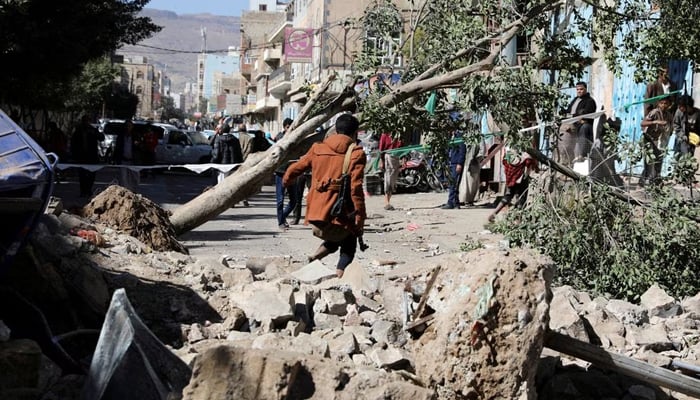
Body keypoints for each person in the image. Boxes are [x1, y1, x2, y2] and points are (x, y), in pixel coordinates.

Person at [283, 114, 366, 278]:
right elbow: (355, 189)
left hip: (316, 215)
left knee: (336, 238)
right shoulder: (356, 154)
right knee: (349, 241)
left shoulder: (317, 149)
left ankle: (314, 258)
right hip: (338, 213)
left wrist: (287, 182)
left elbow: (295, 168)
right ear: (355, 133)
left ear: (335, 130)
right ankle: (339, 275)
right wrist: (360, 218)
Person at [487, 148, 538, 223]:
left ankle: (494, 213)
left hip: (510, 177)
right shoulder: (526, 153)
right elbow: (528, 163)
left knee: (508, 196)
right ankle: (518, 220)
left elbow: (504, 161)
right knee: (521, 198)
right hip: (521, 178)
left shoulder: (509, 151)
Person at [274, 118, 302, 230]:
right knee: (280, 199)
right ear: (286, 127)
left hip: (292, 172)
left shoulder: (296, 138)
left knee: (294, 199)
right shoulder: (281, 137)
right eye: (290, 127)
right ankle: (281, 222)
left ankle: (282, 216)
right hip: (280, 172)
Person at [640, 97, 673, 186]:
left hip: (658, 140)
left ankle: (654, 180)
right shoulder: (654, 112)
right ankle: (646, 181)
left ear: (669, 105)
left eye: (666, 103)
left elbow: (670, 129)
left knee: (658, 161)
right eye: (661, 103)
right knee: (649, 161)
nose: (663, 105)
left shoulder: (669, 115)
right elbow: (643, 123)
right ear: (658, 104)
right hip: (648, 139)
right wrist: (655, 122)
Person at [70, 115, 104, 197]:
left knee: (91, 175)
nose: (86, 123)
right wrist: (74, 155)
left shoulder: (92, 130)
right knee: (82, 175)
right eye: (85, 121)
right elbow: (73, 143)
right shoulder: (78, 131)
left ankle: (88, 190)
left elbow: (101, 137)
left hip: (92, 157)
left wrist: (95, 133)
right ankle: (83, 191)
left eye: (88, 121)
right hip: (81, 157)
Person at [563, 81, 597, 163]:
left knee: (584, 127)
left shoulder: (590, 101)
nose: (579, 91)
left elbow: (586, 114)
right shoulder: (575, 100)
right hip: (570, 122)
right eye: (577, 89)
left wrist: (575, 116)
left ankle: (581, 155)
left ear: (585, 89)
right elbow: (569, 111)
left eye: (581, 89)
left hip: (580, 124)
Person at [441, 131, 467, 209]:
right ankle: (456, 203)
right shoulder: (449, 137)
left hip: (456, 164)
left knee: (454, 183)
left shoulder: (459, 137)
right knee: (452, 183)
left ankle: (450, 202)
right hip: (450, 163)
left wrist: (459, 163)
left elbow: (462, 151)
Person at [114, 119, 140, 191]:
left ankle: (134, 192)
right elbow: (117, 148)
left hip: (133, 161)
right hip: (123, 161)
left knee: (135, 179)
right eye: (126, 126)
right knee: (123, 179)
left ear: (132, 127)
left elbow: (141, 147)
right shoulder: (121, 136)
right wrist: (114, 158)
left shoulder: (136, 136)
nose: (128, 128)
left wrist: (138, 144)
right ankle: (125, 192)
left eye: (129, 126)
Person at [379, 132, 402, 210]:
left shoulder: (399, 134)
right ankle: (387, 202)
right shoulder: (385, 134)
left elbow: (402, 147)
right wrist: (381, 161)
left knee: (393, 180)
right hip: (389, 157)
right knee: (388, 179)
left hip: (397, 157)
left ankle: (388, 201)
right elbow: (381, 149)